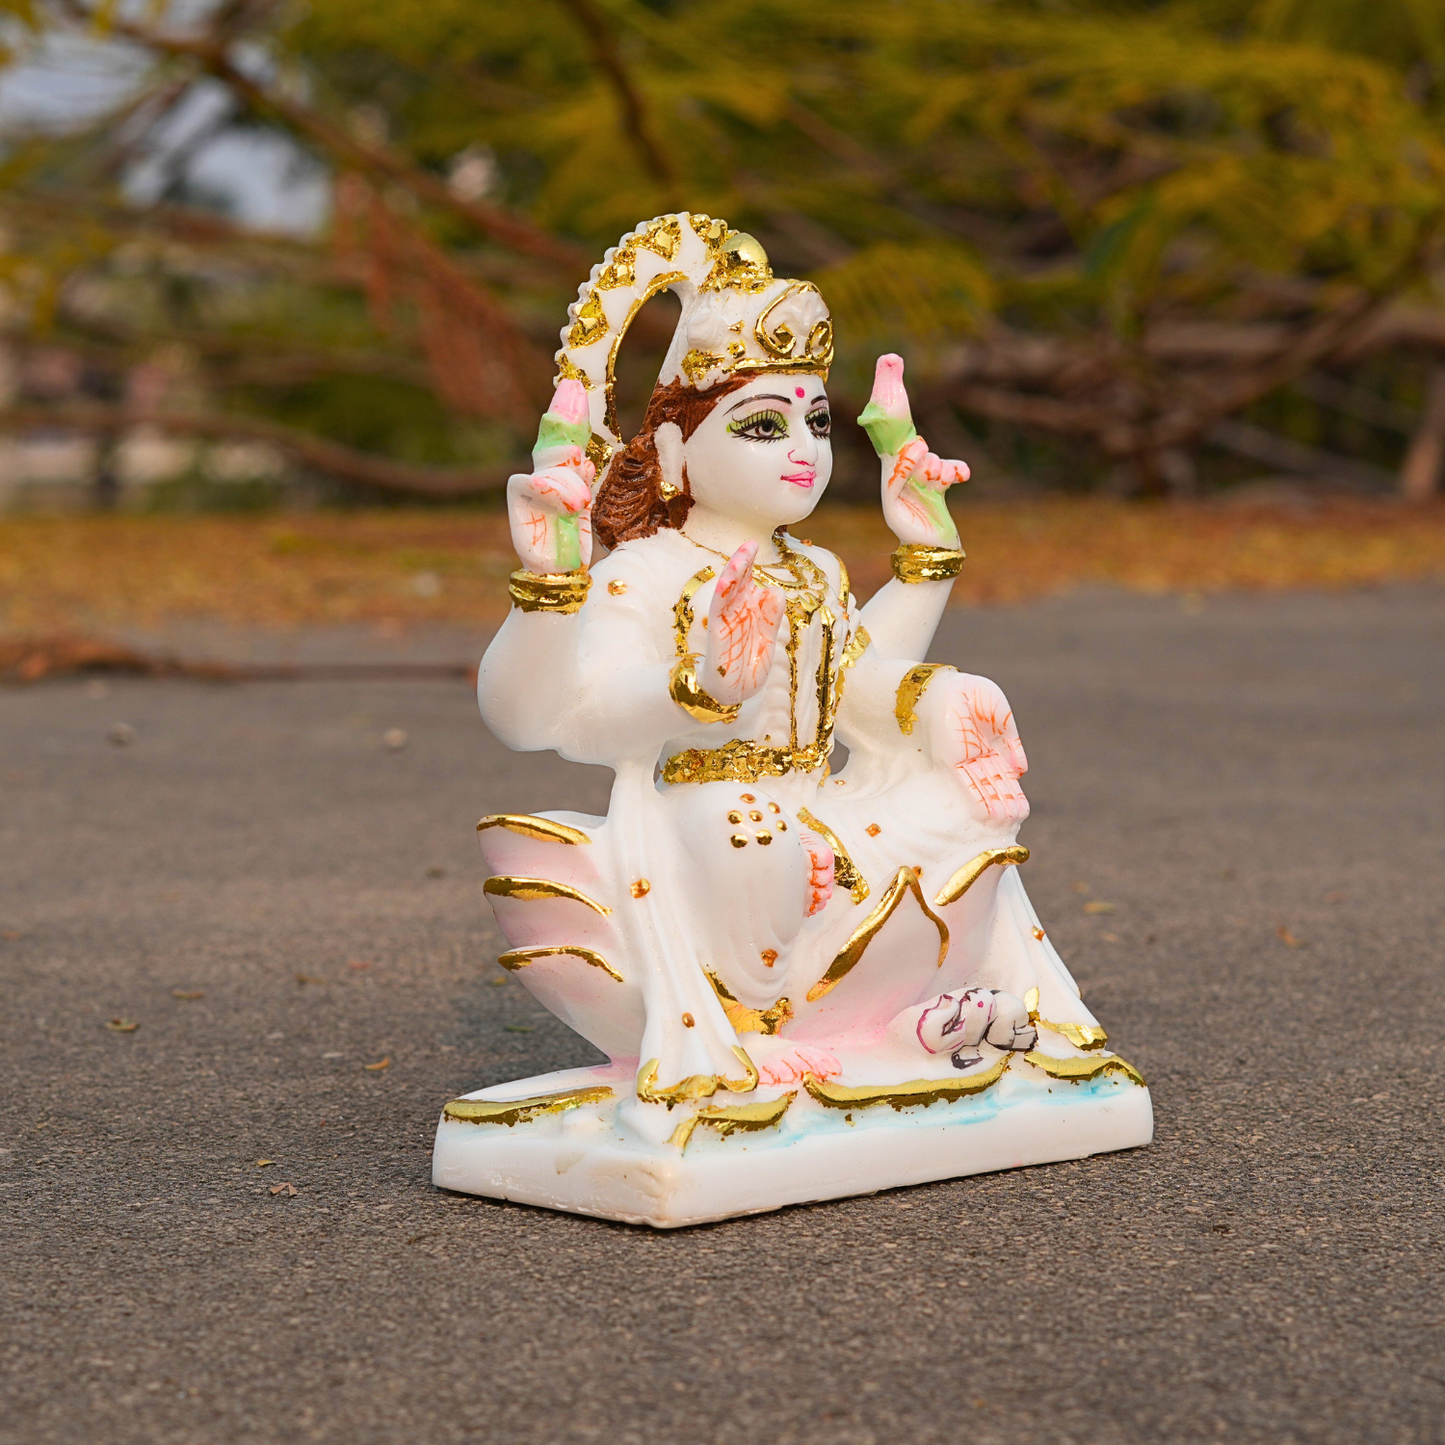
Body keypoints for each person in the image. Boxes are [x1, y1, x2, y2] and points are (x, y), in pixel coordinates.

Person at [475, 214, 1103, 1143]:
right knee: (742, 822)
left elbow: (856, 682)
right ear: (678, 453)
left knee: (968, 802)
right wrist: (681, 683)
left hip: (825, 809)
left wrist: (936, 616)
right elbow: (542, 717)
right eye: (763, 426)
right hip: (714, 820)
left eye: (815, 420)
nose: (803, 447)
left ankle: (888, 1023)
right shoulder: (646, 569)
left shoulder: (811, 571)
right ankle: (764, 1033)